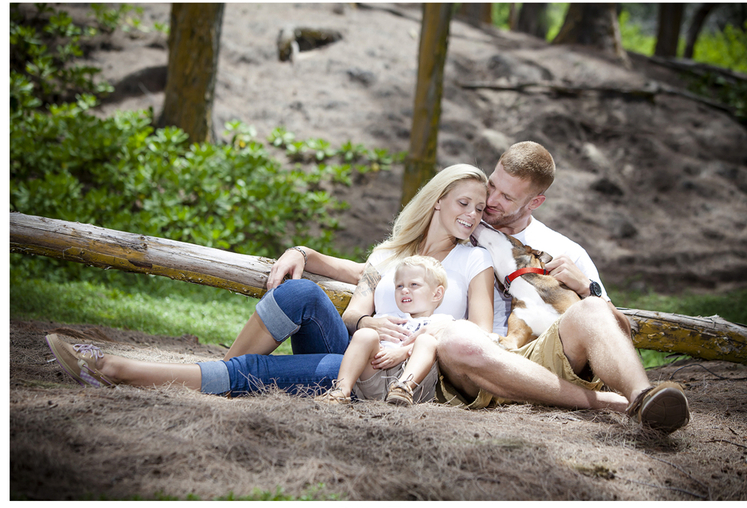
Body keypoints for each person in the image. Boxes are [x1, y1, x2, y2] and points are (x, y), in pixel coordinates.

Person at [266, 142, 691, 434]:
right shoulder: (467, 221)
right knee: (459, 339)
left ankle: (643, 399)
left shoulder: (565, 250)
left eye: (506, 198)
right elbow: (384, 266)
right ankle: (603, 404)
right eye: (492, 185)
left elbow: (614, 327)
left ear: (535, 202)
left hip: (541, 352)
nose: (490, 203)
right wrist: (308, 253)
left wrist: (588, 289)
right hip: (477, 357)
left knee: (591, 312)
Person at [45, 164, 495, 398]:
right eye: (464, 202)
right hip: (358, 352)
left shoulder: (475, 262)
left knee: (257, 370)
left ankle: (114, 370)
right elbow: (356, 311)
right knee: (299, 291)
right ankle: (213, 377)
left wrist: (420, 337)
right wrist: (369, 323)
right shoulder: (389, 254)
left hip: (397, 375)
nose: (472, 215)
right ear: (437, 201)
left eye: (479, 208)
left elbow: (479, 333)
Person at [315, 255, 452, 406]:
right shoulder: (388, 319)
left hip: (416, 382)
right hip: (377, 371)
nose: (404, 290)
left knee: (427, 340)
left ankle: (403, 387)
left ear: (437, 294)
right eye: (399, 286)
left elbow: (444, 343)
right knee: (365, 334)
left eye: (414, 284)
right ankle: (341, 391)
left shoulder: (442, 321)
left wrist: (403, 352)